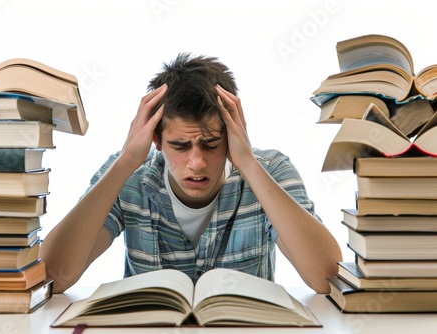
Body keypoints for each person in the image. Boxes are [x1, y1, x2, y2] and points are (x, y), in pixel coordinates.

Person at [40, 53, 342, 294]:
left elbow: (326, 278)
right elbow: (54, 277)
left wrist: (248, 163)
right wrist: (125, 161)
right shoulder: (126, 176)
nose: (196, 162)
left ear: (232, 134)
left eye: (210, 144)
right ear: (156, 141)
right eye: (180, 146)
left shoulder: (272, 170)